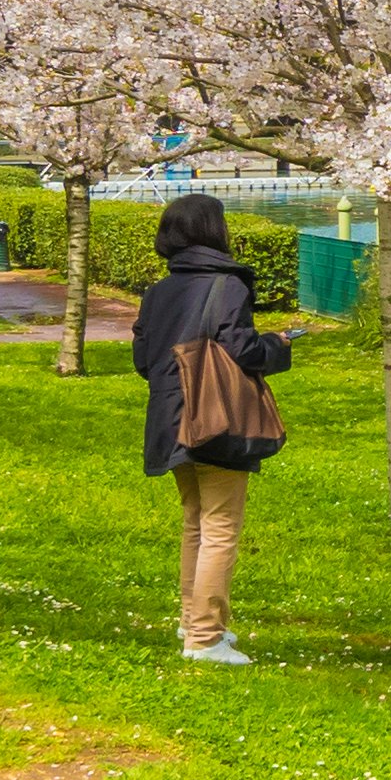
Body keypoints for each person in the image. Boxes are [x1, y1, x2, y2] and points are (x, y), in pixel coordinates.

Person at [129, 192, 291, 665]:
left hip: (169, 419)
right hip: (215, 419)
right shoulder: (227, 285)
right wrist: (277, 345)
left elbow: (144, 360)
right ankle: (203, 637)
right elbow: (242, 350)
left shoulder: (157, 293)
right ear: (213, 231)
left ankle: (194, 620)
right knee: (220, 526)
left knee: (195, 524)